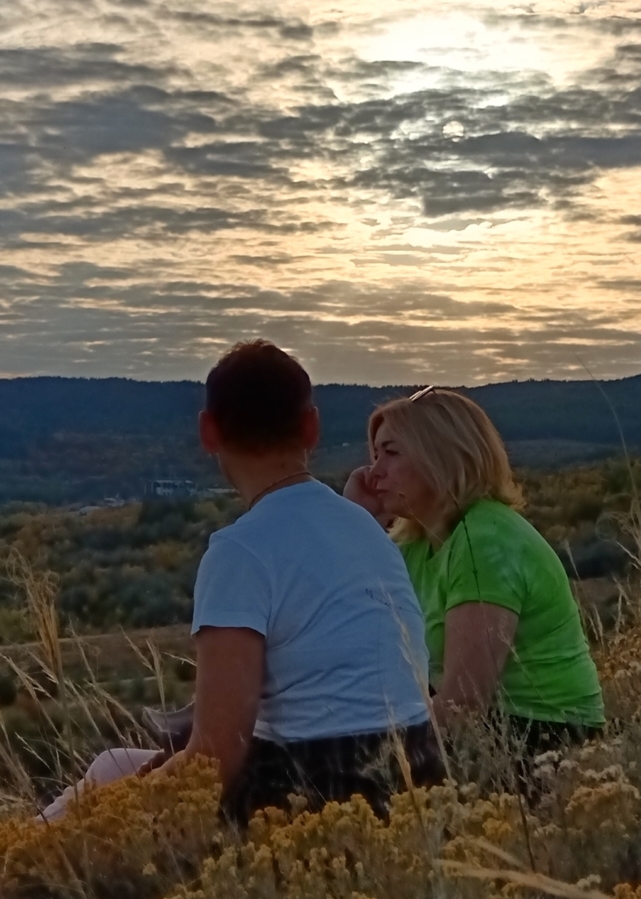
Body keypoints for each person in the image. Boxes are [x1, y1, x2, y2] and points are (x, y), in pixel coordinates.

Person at [45, 341, 442, 825]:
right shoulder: (370, 529)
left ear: (208, 432)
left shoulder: (240, 551)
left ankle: (5, 864)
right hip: (415, 781)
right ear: (311, 428)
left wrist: (102, 823)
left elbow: (216, 756)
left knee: (82, 816)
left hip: (313, 799)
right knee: (112, 766)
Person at [345, 388, 604, 758]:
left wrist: (378, 754)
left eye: (391, 453)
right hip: (484, 729)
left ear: (441, 457)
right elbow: (345, 628)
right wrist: (357, 520)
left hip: (542, 738)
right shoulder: (416, 540)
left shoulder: (485, 540)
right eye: (374, 455)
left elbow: (464, 701)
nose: (373, 473)